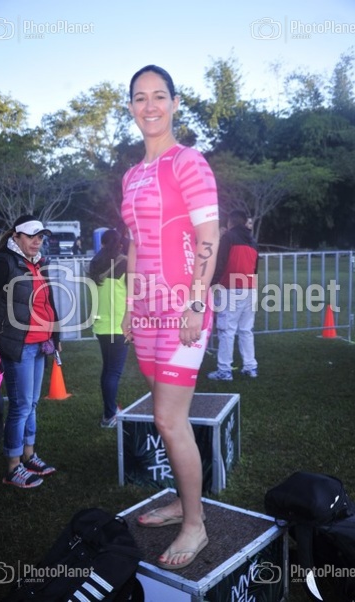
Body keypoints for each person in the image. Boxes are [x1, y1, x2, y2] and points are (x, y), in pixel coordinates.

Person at [121, 65, 219, 570]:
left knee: (167, 418)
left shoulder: (188, 162)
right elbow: (136, 244)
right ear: (131, 107)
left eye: (159, 95)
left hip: (184, 309)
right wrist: (130, 306)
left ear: (175, 103)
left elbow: (208, 236)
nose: (150, 106)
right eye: (140, 97)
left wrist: (197, 301)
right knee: (166, 417)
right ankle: (185, 500)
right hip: (147, 313)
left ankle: (195, 524)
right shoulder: (131, 175)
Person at [0, 215, 61, 488]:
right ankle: (13, 466)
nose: (37, 241)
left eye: (41, 236)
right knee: (21, 406)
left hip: (39, 344)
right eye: (31, 236)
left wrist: (56, 335)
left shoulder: (39, 263)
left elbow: (48, 300)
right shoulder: (4, 262)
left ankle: (29, 456)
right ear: (16, 236)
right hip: (16, 346)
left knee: (31, 404)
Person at [208, 209, 259, 381]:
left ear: (230, 222)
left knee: (226, 330)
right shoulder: (253, 242)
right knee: (246, 330)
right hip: (250, 289)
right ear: (244, 222)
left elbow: (220, 263)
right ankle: (250, 367)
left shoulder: (228, 237)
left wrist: (211, 284)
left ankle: (224, 370)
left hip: (231, 289)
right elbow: (255, 270)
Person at [88, 229, 128, 428]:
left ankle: (109, 410)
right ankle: (110, 415)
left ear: (102, 244)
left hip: (102, 326)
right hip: (118, 327)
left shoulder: (95, 263)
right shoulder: (125, 263)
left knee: (108, 371)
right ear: (119, 244)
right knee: (113, 373)